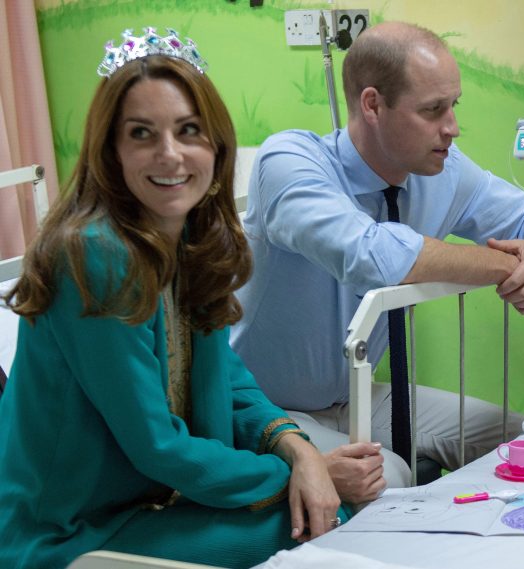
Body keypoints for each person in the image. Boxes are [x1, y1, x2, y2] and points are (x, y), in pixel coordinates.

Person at [0, 29, 354, 569]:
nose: (170, 155)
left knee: (328, 510)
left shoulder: (188, 237)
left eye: (189, 130)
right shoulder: (93, 255)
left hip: (149, 505)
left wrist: (299, 448)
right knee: (326, 519)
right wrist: (304, 475)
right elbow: (157, 445)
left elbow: (230, 380)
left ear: (216, 143)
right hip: (64, 533)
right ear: (111, 151)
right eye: (142, 134)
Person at [230, 21, 524, 485]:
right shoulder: (290, 161)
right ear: (372, 104)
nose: (452, 128)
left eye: (453, 106)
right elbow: (376, 256)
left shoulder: (442, 172)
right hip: (265, 406)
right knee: (390, 477)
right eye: (433, 110)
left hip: (357, 395)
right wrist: (509, 266)